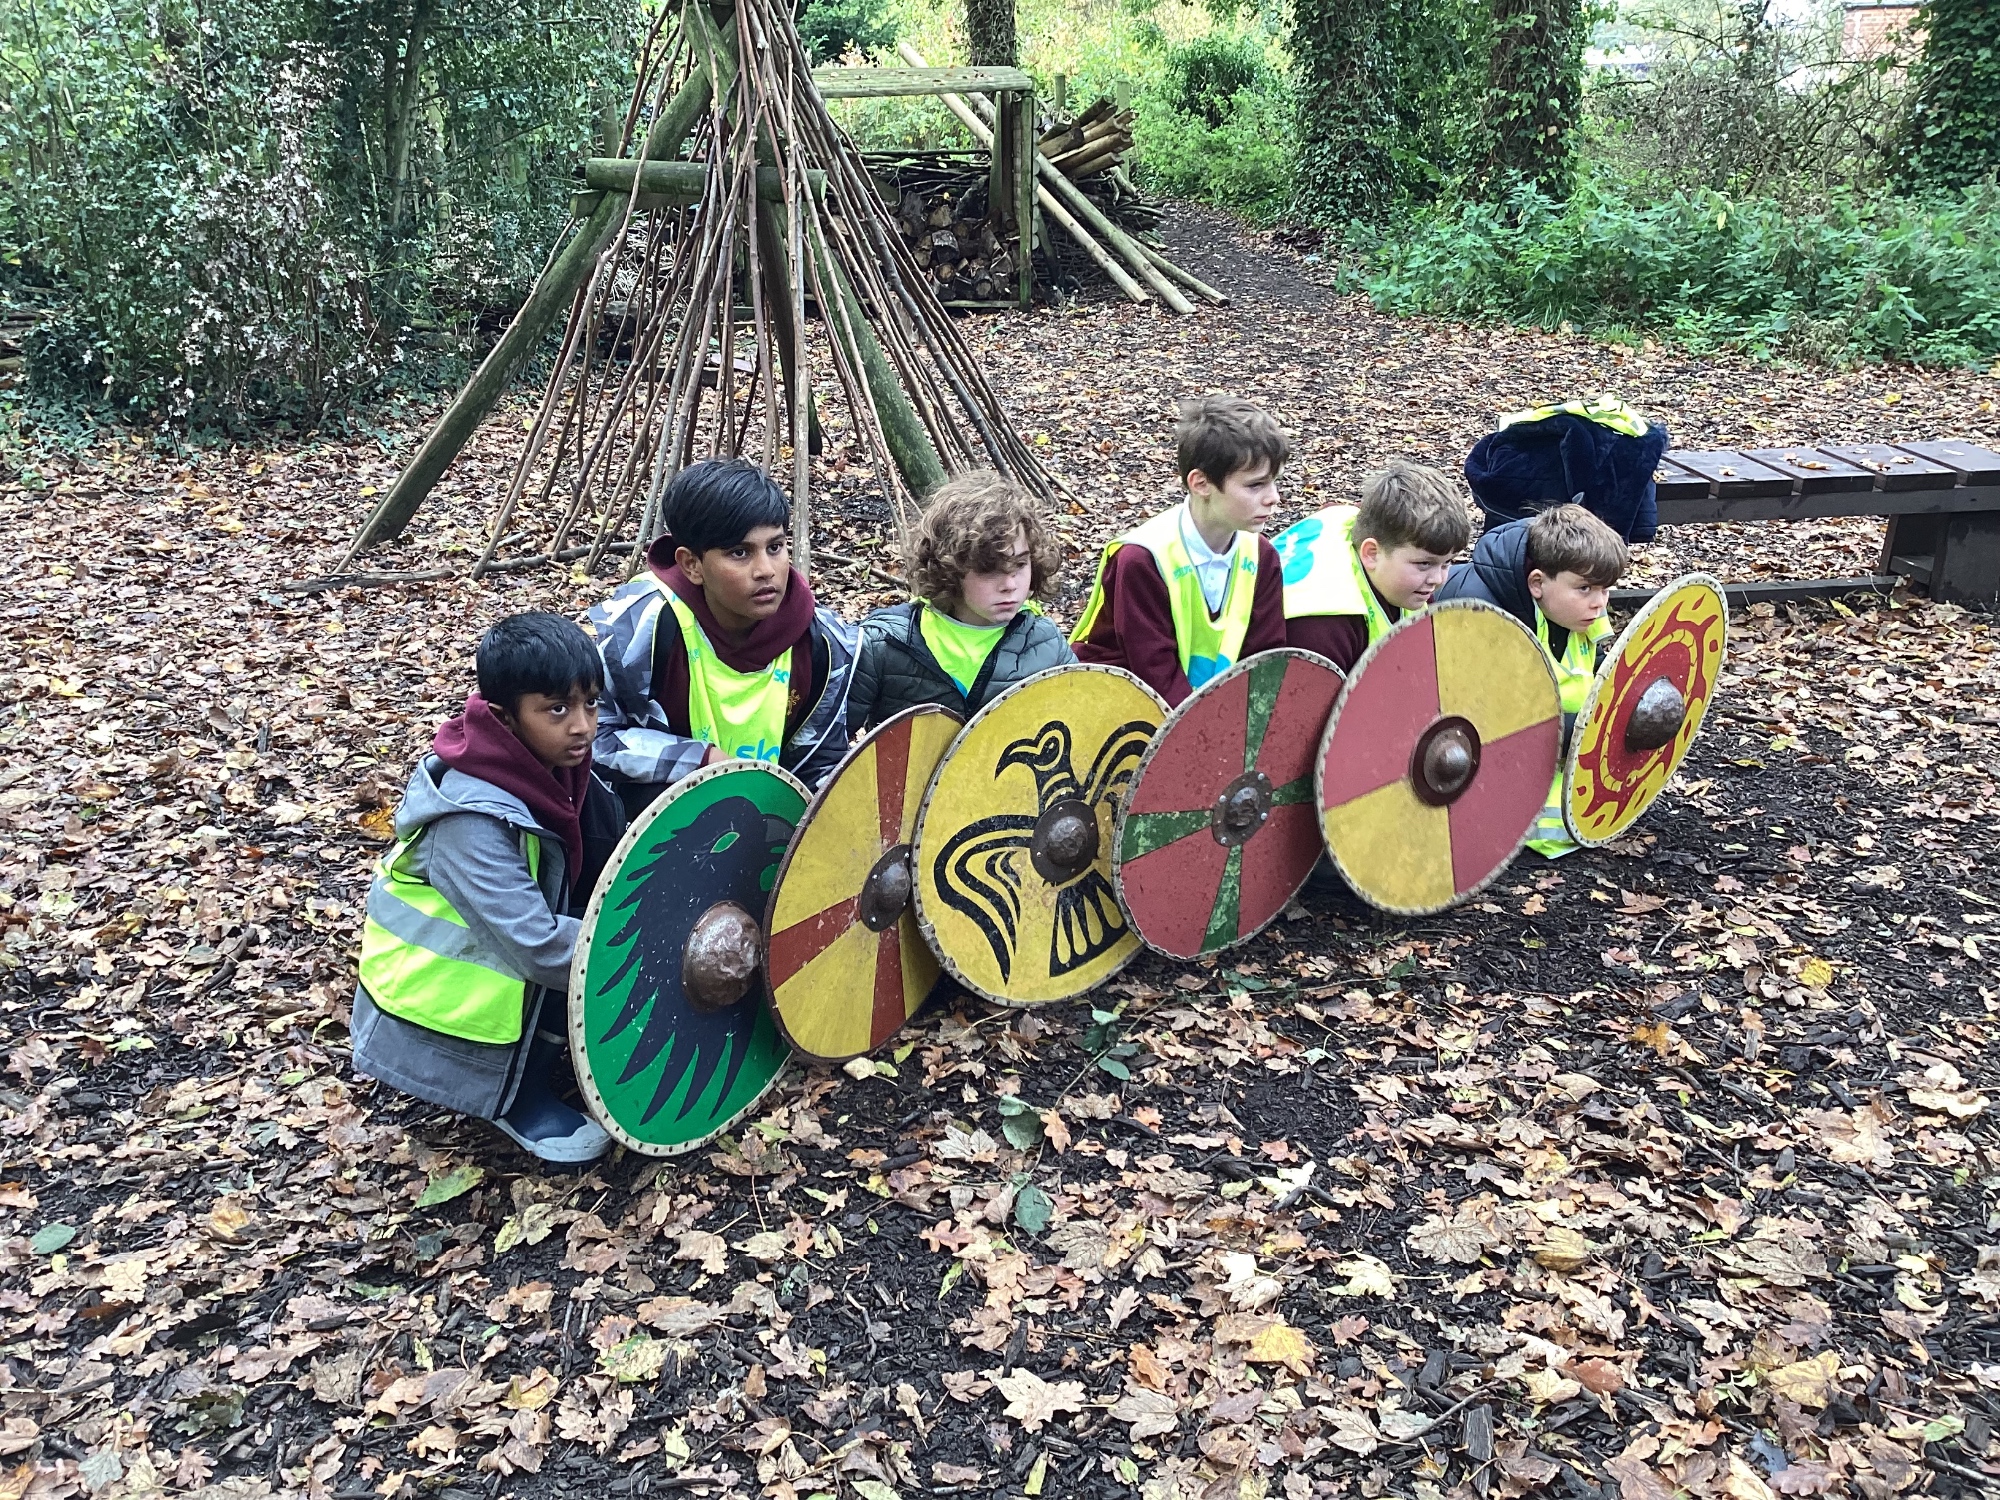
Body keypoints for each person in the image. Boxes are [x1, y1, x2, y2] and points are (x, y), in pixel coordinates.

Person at [351, 614, 626, 1163]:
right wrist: (647, 949)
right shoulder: (469, 821)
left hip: (509, 959)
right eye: (557, 709)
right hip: (448, 1004)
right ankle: (513, 1094)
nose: (583, 726)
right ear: (504, 717)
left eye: (591, 704)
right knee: (573, 949)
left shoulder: (559, 767)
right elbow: (536, 943)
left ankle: (552, 1046)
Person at [588, 459, 856, 816]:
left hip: (769, 821)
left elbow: (819, 762)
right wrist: (700, 761)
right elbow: (590, 738)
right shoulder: (640, 624)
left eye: (775, 547)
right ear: (691, 565)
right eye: (739, 553)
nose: (766, 571)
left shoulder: (822, 641)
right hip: (650, 823)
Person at [1070, 395, 1289, 706]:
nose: (1273, 497)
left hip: (1207, 710)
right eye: (1255, 485)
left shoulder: (1262, 556)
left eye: (1274, 482)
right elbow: (1153, 671)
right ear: (1201, 484)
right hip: (1117, 708)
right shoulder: (1142, 560)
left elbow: (1265, 661)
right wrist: (1212, 729)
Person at [1436, 502, 1627, 856]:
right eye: (1585, 588)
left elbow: (1600, 670)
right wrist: (1590, 731)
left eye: (1606, 589)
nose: (1599, 603)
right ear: (1537, 583)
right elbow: (1489, 719)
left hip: (1556, 739)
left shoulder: (1581, 611)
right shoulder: (1482, 615)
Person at [845, 470, 1075, 732]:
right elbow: (828, 745)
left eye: (1020, 564)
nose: (1010, 584)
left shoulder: (1046, 644)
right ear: (949, 568)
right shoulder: (884, 644)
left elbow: (1085, 734)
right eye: (989, 568)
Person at [1274, 461, 1473, 674]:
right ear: (1371, 554)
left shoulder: (1398, 565)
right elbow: (1303, 693)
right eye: (1425, 564)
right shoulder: (1323, 625)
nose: (1438, 579)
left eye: (1447, 563)